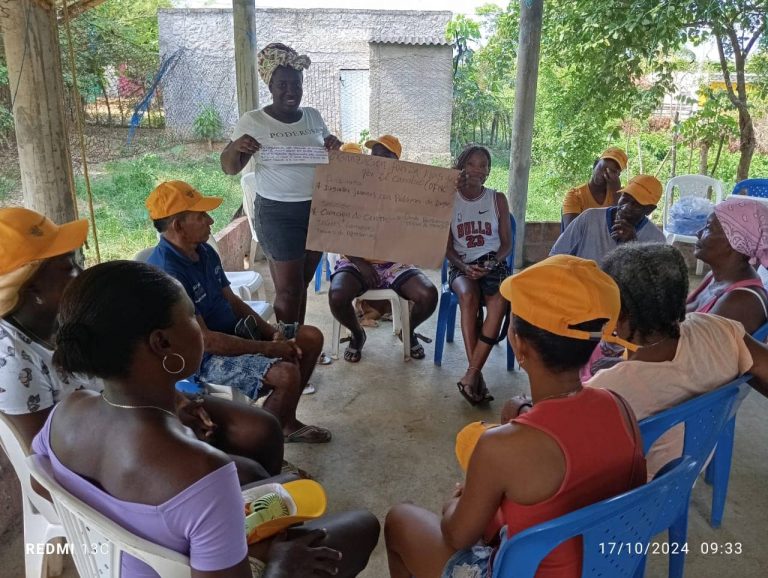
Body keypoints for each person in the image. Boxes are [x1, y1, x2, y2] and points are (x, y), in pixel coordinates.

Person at [32, 260, 380, 578]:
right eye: (190, 316)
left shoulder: (68, 410)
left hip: (120, 562)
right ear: (162, 343)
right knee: (363, 525)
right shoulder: (201, 470)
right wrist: (277, 569)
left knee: (283, 486)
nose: (200, 328)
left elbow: (38, 483)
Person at [385, 255, 646, 578]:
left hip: (524, 571)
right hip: (602, 566)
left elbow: (457, 535)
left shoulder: (501, 447)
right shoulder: (619, 406)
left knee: (399, 519)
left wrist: (455, 503)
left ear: (519, 347)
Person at [0, 207, 287, 484]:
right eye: (69, 267)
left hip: (135, 414)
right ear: (31, 287)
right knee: (246, 475)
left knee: (262, 430)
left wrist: (174, 403)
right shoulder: (13, 361)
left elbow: (124, 374)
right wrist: (164, 437)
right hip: (99, 461)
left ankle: (265, 519)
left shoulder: (74, 311)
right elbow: (44, 471)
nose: (81, 272)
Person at [145, 181, 331, 444]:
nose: (210, 220)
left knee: (310, 337)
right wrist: (267, 349)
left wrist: (272, 334)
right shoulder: (168, 273)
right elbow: (205, 341)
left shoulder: (204, 251)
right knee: (286, 374)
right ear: (177, 225)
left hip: (236, 333)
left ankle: (284, 423)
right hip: (204, 358)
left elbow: (232, 301)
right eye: (201, 216)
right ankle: (263, 445)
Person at [589, 243, 768, 478]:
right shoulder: (719, 328)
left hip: (633, 497)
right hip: (686, 472)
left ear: (620, 313)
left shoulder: (606, 390)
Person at [220, 42, 342, 324]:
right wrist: (237, 147)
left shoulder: (312, 116)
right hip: (277, 213)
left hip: (316, 211)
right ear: (270, 85)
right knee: (288, 290)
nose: (291, 91)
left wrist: (334, 145)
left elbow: (329, 154)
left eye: (296, 84)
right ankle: (287, 350)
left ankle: (295, 344)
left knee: (300, 285)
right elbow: (229, 167)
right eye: (283, 84)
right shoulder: (253, 121)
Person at [328, 135, 438, 362]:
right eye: (374, 154)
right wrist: (360, 263)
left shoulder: (409, 193)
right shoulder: (352, 186)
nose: (377, 159)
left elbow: (429, 217)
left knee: (428, 294)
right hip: (355, 260)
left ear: (397, 161)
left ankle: (407, 331)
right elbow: (334, 230)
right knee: (337, 295)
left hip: (395, 262)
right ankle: (358, 335)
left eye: (385, 155)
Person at [446, 145, 513, 405]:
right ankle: (477, 377)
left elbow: (506, 244)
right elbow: (447, 247)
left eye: (483, 165)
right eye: (471, 163)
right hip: (460, 265)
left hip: (492, 264)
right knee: (469, 297)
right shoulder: (449, 200)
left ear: (488, 171)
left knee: (499, 299)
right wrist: (463, 267)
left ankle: (472, 374)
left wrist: (492, 262)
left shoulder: (497, 199)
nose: (477, 169)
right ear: (461, 166)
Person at [687, 196, 768, 335]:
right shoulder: (715, 276)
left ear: (735, 242)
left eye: (708, 228)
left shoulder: (740, 301)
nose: (698, 233)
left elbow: (693, 350)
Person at [550, 174, 666, 266]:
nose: (626, 207)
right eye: (625, 198)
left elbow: (651, 286)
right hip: (582, 290)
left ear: (649, 210)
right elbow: (556, 256)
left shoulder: (657, 240)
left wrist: (632, 246)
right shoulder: (590, 218)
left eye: (636, 204)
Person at [561, 147, 628, 229]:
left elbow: (623, 227)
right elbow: (570, 231)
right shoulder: (575, 195)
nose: (604, 174)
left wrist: (616, 193)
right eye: (602, 168)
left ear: (617, 176)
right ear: (595, 166)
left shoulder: (620, 195)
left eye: (611, 172)